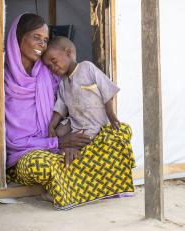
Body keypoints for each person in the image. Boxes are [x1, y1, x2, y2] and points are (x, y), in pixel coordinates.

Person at [5, 13, 135, 210]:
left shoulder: (49, 73)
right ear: (19, 36)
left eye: (45, 39)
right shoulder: (1, 79)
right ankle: (84, 185)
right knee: (41, 165)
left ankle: (63, 187)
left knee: (119, 135)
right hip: (26, 153)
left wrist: (70, 142)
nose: (42, 44)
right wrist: (57, 143)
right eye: (36, 37)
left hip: (61, 143)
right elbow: (11, 141)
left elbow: (68, 107)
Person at [42, 36, 127, 167]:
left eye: (54, 61)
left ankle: (72, 152)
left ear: (68, 52)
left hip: (94, 124)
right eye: (49, 66)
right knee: (57, 134)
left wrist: (111, 115)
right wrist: (51, 126)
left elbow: (107, 89)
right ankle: (67, 151)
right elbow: (60, 106)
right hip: (75, 122)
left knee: (85, 140)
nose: (53, 67)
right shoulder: (63, 82)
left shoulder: (87, 67)